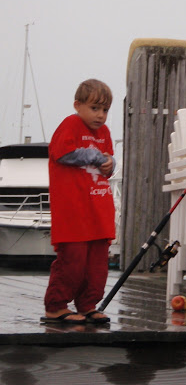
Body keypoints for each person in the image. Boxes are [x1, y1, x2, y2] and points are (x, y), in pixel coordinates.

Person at [42, 79, 116, 325]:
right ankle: (56, 306)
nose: (100, 115)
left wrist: (110, 164)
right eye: (94, 108)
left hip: (98, 209)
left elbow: (108, 162)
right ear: (78, 105)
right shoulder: (70, 124)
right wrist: (96, 156)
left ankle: (88, 304)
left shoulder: (104, 133)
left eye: (105, 110)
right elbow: (62, 153)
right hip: (73, 210)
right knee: (72, 260)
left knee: (97, 264)